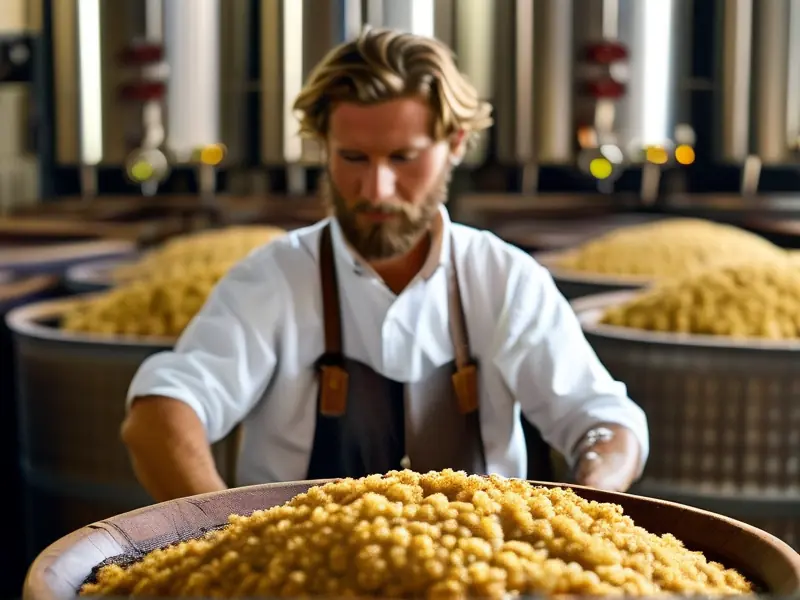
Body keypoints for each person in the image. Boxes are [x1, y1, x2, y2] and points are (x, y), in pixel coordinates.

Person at [121, 27, 649, 502]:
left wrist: (588, 505)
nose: (376, 189)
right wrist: (223, 538)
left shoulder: (504, 279)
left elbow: (604, 422)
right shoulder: (273, 280)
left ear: (455, 145)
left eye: (404, 158)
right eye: (352, 158)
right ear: (323, 147)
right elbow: (160, 414)